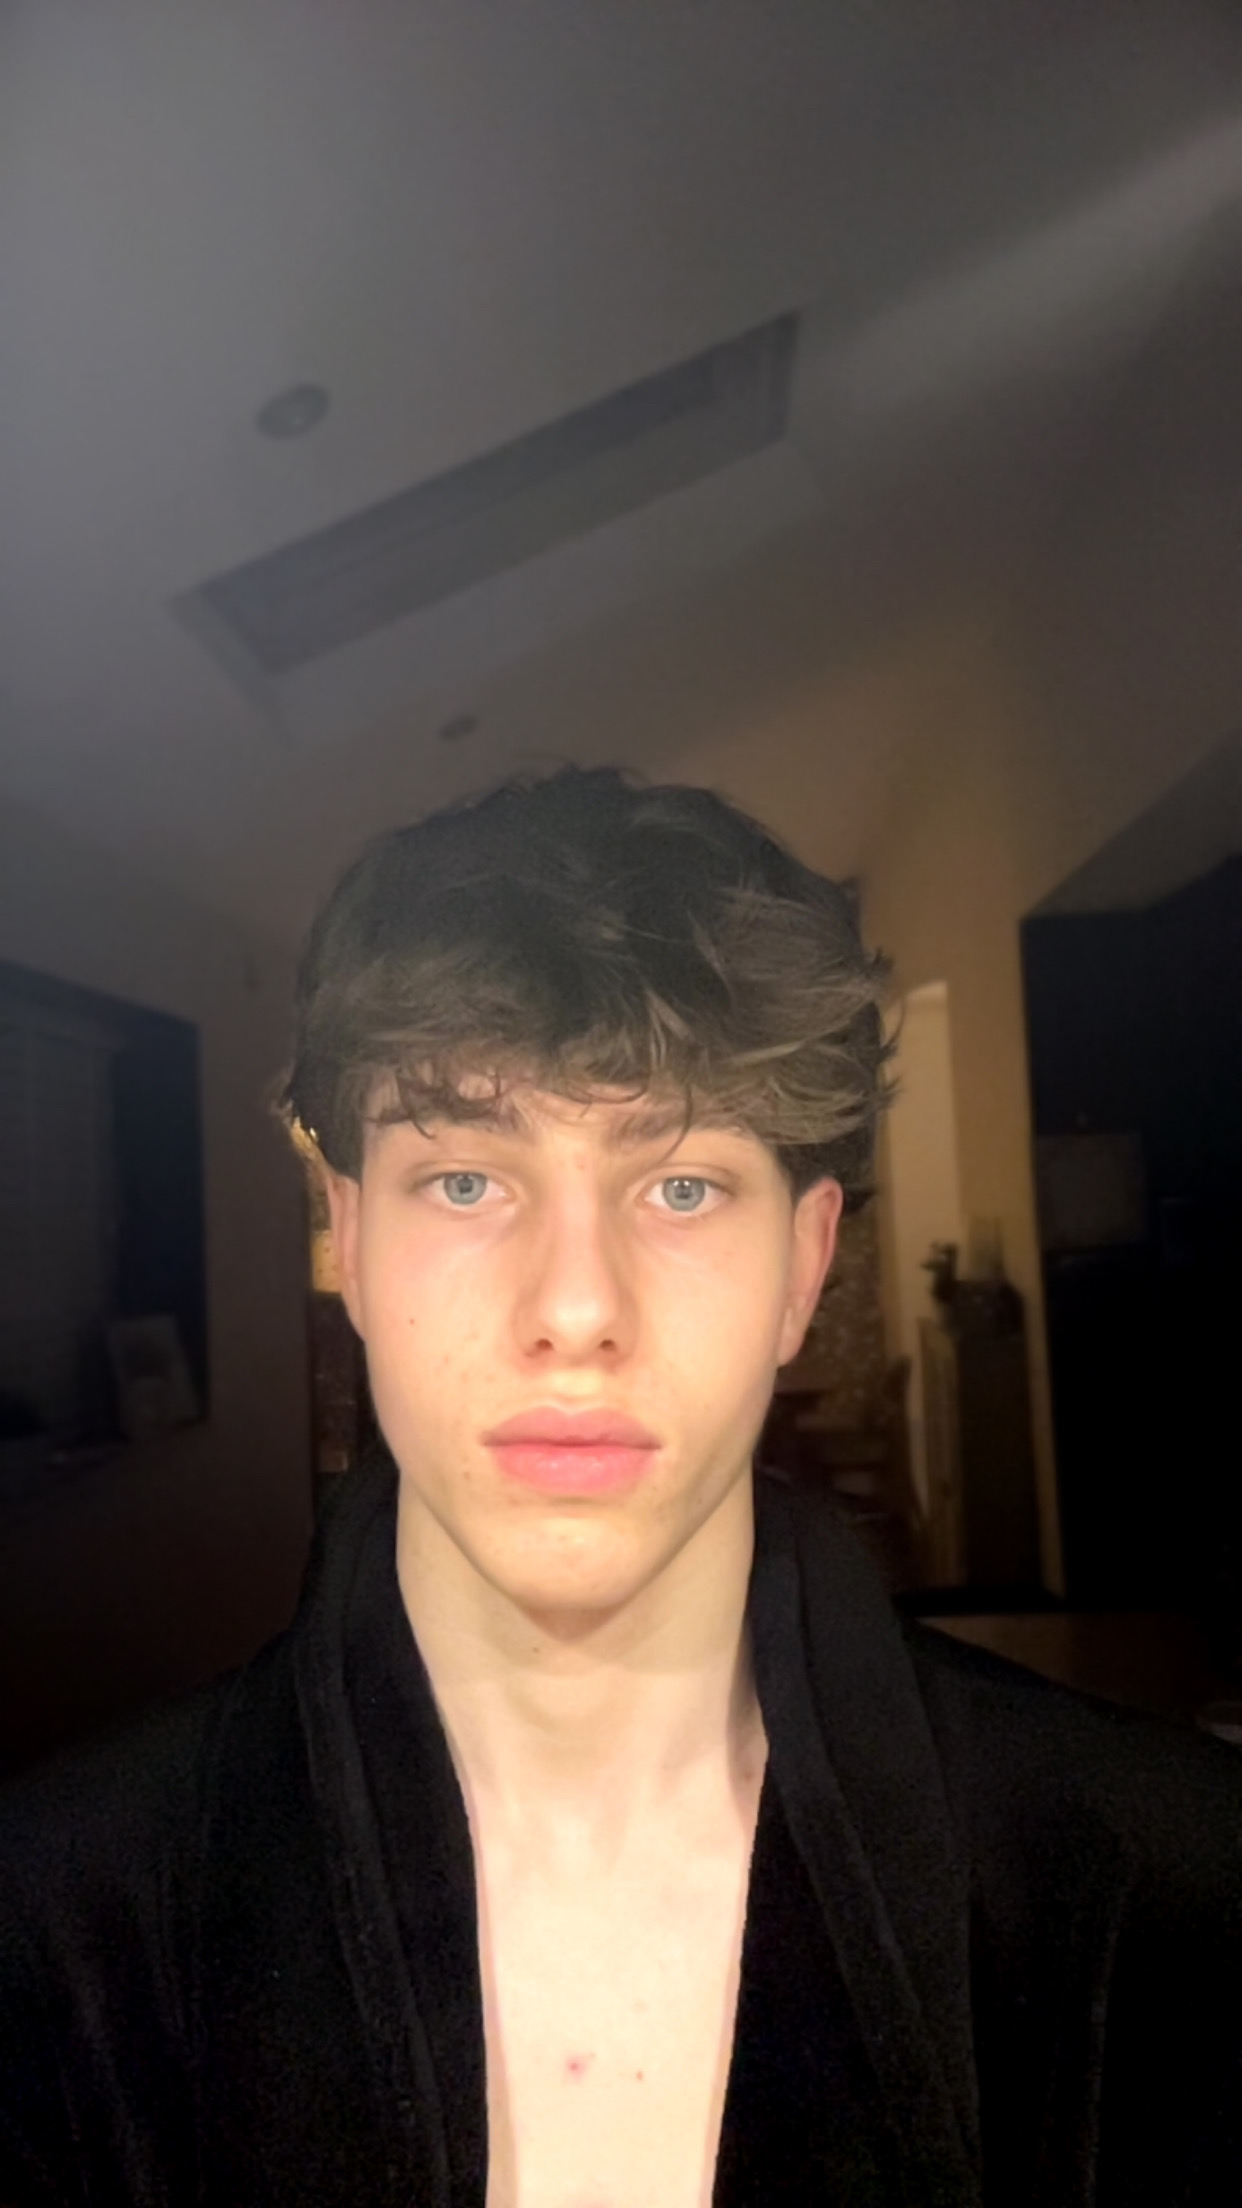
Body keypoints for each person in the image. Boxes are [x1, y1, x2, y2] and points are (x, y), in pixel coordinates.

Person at [1, 763, 1240, 2207]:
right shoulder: (47, 1936)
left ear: (802, 1265)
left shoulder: (1182, 1900)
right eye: (467, 1181)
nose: (577, 1308)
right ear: (351, 1241)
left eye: (681, 1186)